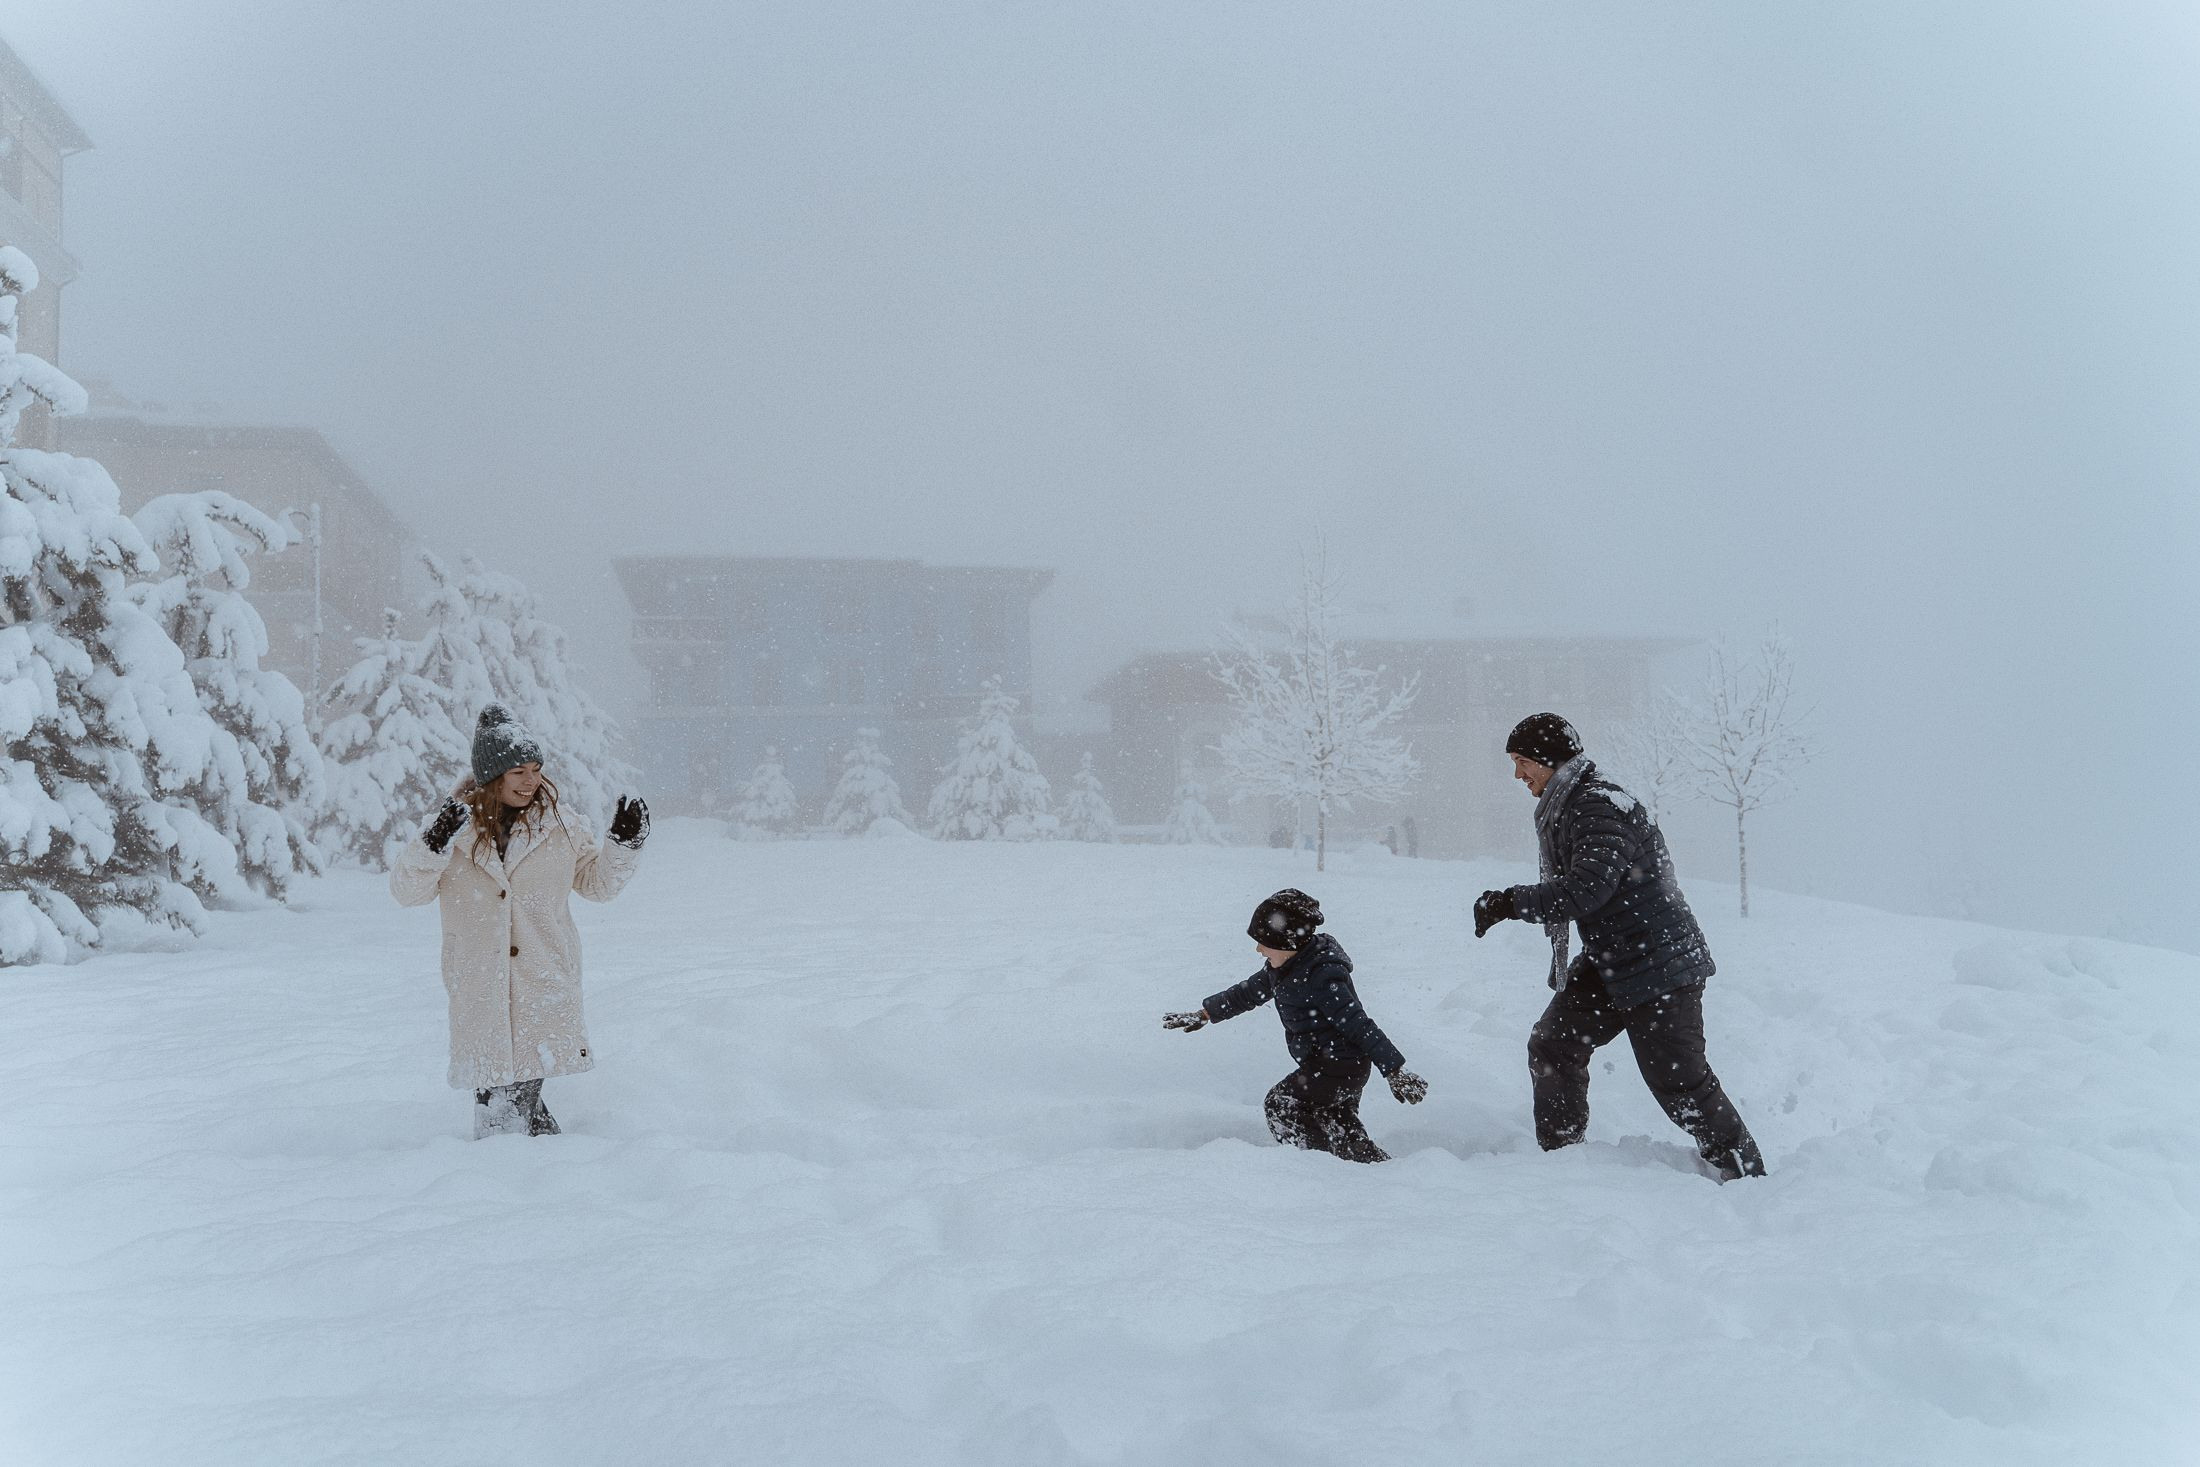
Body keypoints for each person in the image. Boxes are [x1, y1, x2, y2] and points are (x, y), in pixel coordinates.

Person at [1473, 713, 1765, 1180]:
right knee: (1553, 1044)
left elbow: (1588, 888)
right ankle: (1563, 1161)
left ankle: (1748, 1178)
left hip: (1659, 962)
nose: (1518, 775)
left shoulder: (1598, 806)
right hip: (1615, 958)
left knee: (1680, 1081)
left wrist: (1512, 901)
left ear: (1552, 760)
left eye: (1523, 762)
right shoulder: (1572, 803)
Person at [391, 704, 650, 1138]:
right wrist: (433, 843)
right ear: (493, 776)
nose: (531, 781)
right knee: (504, 1102)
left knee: (509, 1106)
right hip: (480, 984)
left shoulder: (559, 826)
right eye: (518, 772)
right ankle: (541, 1181)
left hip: (541, 979)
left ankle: (524, 1184)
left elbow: (597, 885)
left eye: (535, 769)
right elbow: (407, 891)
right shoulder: (454, 830)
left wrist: (624, 844)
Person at [1165, 889, 1428, 1163]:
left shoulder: (1321, 978)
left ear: (1288, 942)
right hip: (1335, 1066)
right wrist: (1205, 1013)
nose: (1258, 949)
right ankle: (1373, 1165)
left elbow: (1360, 1025)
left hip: (1338, 1067)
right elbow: (1246, 994)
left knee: (1281, 1105)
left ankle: (1313, 1165)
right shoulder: (1284, 968)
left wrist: (1394, 1069)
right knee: (1335, 1118)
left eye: (1264, 943)